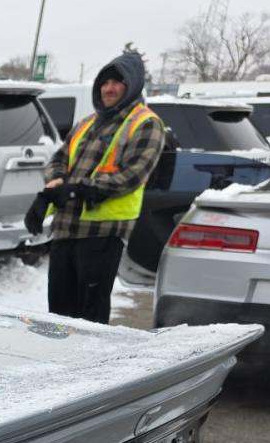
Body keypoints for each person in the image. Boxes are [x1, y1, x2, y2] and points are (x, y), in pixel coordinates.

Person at [25, 50, 165, 324]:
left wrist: (76, 189)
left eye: (116, 82)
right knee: (60, 316)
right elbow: (59, 159)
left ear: (132, 85)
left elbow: (131, 176)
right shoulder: (87, 123)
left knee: (89, 318)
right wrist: (52, 187)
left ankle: (88, 367)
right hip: (66, 229)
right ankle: (59, 364)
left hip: (101, 233)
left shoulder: (145, 123)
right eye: (104, 82)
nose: (108, 88)